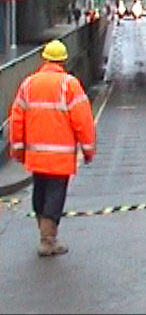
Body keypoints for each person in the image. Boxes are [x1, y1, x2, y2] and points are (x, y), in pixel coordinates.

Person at [8, 39, 96, 257]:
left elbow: (16, 119)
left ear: (44, 59)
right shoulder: (69, 85)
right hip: (60, 157)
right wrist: (88, 149)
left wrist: (17, 150)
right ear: (63, 61)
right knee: (55, 197)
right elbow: (83, 121)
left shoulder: (28, 84)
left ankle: (44, 234)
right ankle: (48, 240)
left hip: (36, 156)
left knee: (40, 193)